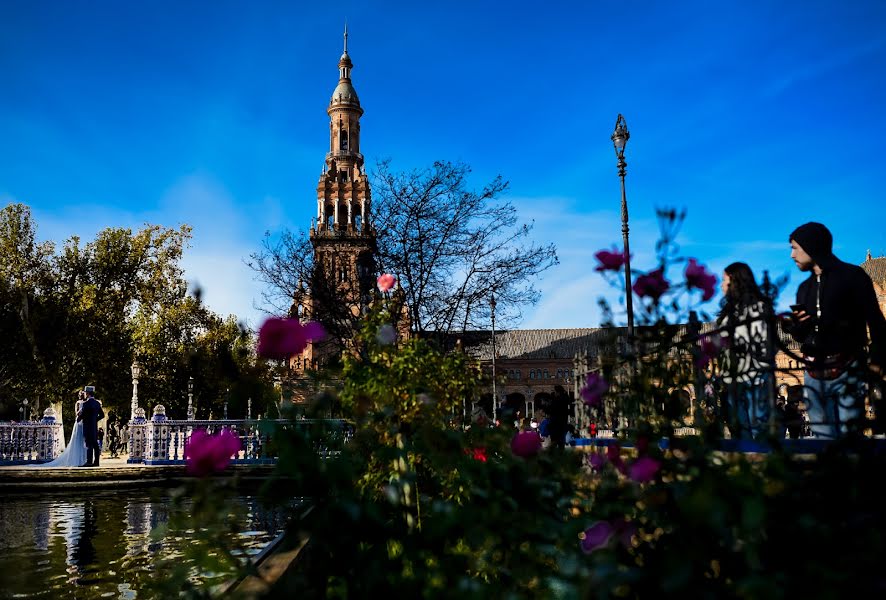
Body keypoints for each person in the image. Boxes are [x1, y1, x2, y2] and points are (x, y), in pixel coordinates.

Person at [788, 222, 886, 438]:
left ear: (810, 246)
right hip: (814, 373)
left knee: (850, 437)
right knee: (822, 438)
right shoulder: (804, 289)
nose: (792, 255)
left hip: (848, 368)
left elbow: (877, 322)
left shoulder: (853, 276)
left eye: (795, 248)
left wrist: (877, 361)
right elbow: (804, 336)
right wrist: (795, 327)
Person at [716, 262, 774, 439]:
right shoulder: (728, 311)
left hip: (753, 379)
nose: (721, 284)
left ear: (735, 281)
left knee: (759, 432)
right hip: (733, 381)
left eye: (724, 280)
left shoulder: (758, 307)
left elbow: (766, 342)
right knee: (740, 433)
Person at [37, 391, 87, 468]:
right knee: (77, 439)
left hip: (85, 423)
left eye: (83, 395)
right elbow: (76, 413)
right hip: (79, 423)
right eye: (81, 395)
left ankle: (84, 459)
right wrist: (81, 411)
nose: (82, 396)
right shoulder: (78, 403)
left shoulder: (87, 402)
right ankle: (76, 459)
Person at [79, 386, 105, 467]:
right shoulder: (97, 403)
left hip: (87, 426)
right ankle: (96, 462)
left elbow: (82, 416)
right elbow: (102, 415)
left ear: (87, 393)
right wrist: (95, 420)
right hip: (94, 427)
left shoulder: (85, 404)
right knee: (95, 445)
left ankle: (89, 461)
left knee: (89, 444)